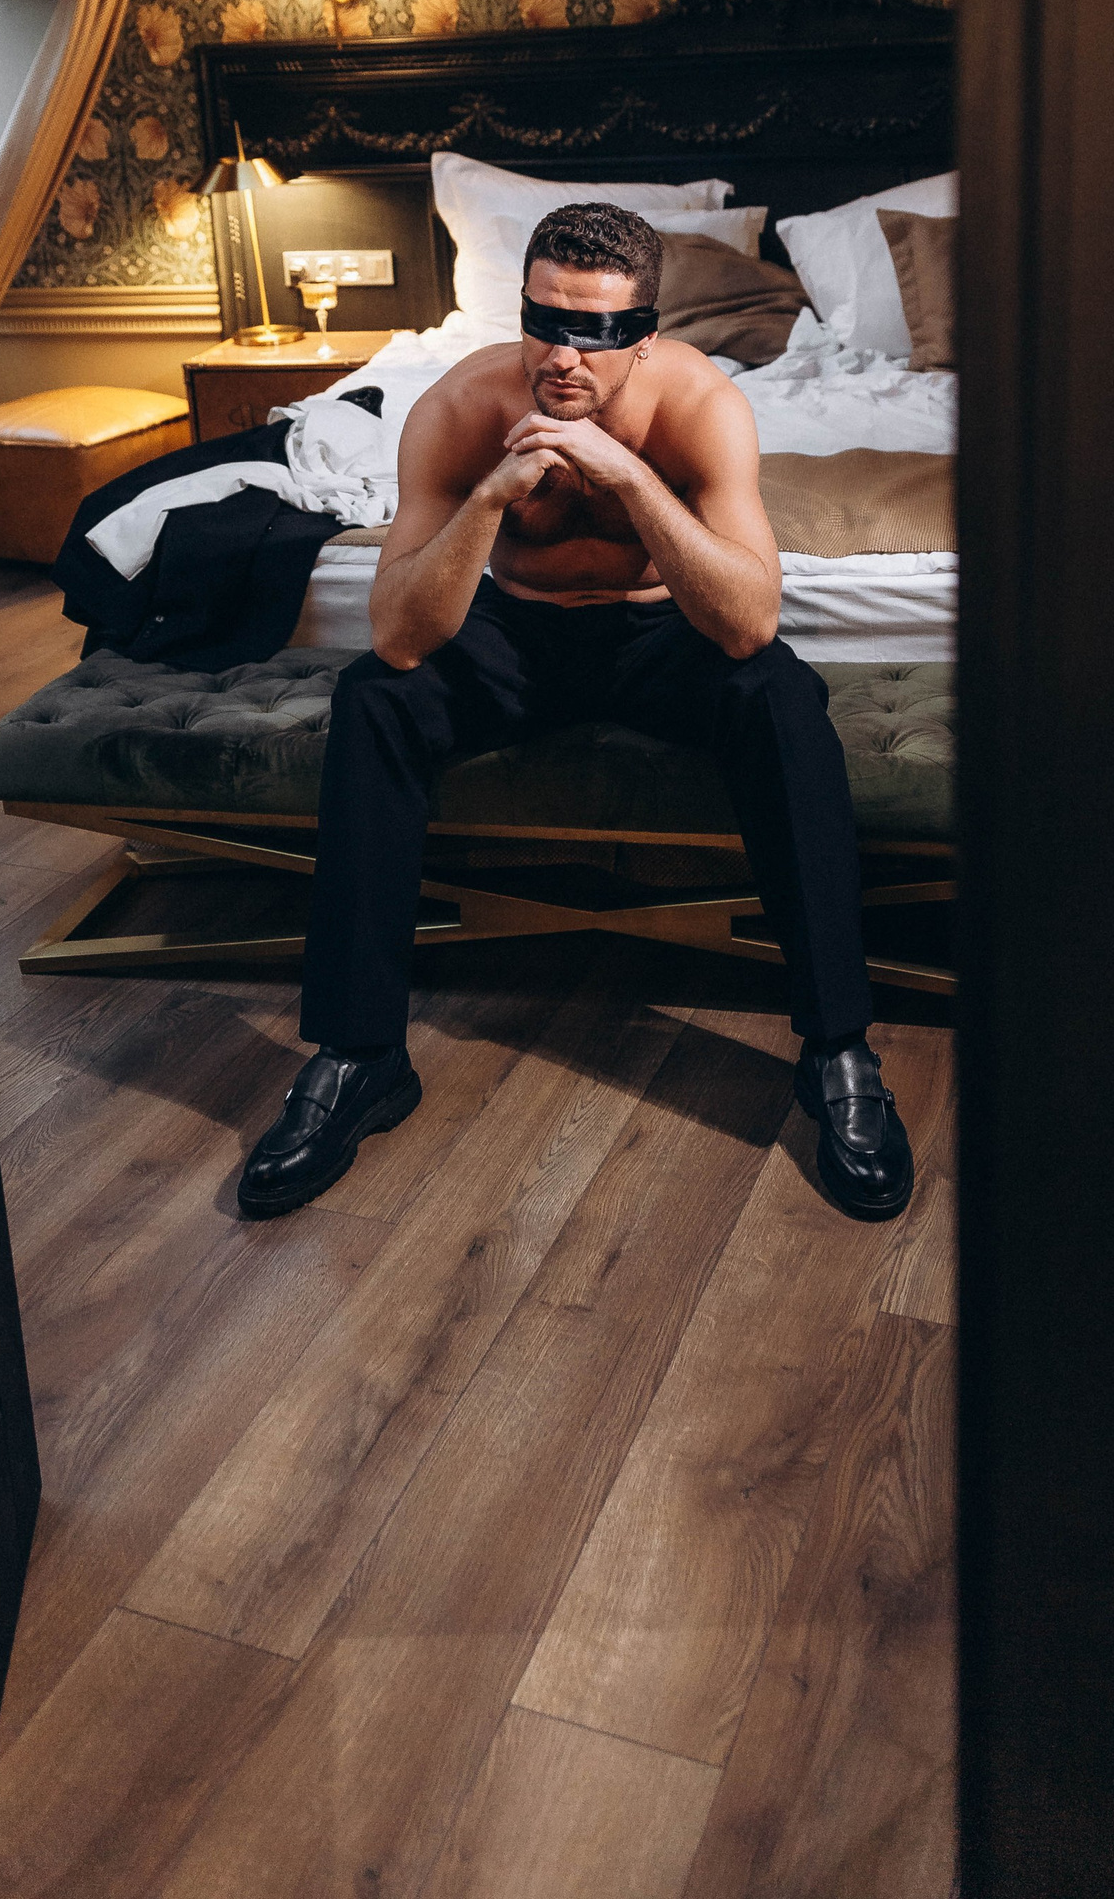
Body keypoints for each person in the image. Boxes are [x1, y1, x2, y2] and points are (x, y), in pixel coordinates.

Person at [239, 200, 916, 1226]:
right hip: (514, 635)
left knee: (781, 696)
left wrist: (630, 478)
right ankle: (359, 1055)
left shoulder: (701, 405)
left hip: (662, 636)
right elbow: (401, 636)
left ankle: (838, 1054)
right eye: (544, 322)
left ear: (645, 335)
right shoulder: (460, 407)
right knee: (374, 698)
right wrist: (489, 499)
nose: (563, 356)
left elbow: (746, 623)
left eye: (595, 332)